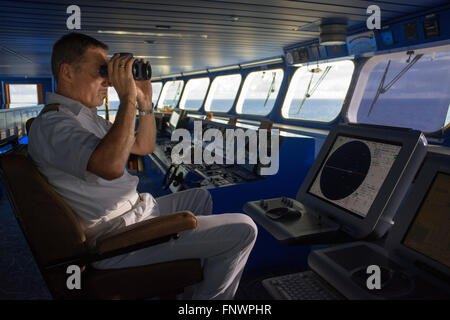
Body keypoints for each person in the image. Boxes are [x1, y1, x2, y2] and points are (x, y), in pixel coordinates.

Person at [28, 32, 257, 300]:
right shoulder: (53, 125)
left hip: (135, 213)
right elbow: (112, 166)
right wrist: (127, 99)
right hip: (118, 237)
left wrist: (145, 104)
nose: (108, 81)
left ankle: (191, 294)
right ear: (67, 72)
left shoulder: (83, 118)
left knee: (200, 196)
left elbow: (144, 146)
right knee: (244, 229)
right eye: (102, 71)